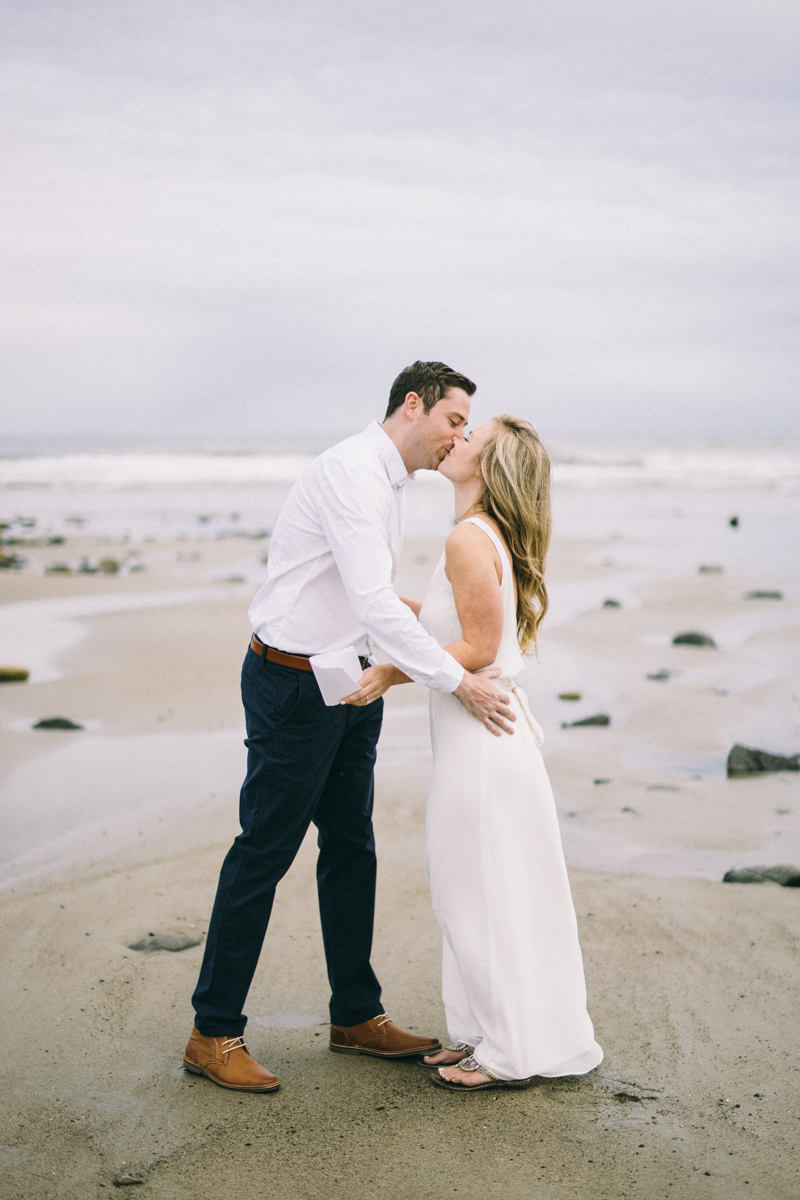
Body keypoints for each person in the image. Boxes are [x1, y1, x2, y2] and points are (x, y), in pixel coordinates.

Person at [183, 362, 517, 1092]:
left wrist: (429, 627)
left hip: (349, 682)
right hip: (293, 684)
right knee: (263, 852)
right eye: (453, 420)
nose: (458, 437)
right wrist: (456, 678)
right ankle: (212, 1032)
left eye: (466, 426)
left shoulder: (389, 481)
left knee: (352, 845)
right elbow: (370, 599)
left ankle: (356, 1017)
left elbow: (361, 593)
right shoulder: (351, 473)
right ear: (412, 406)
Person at [350, 415, 603, 1091]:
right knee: (480, 887)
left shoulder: (468, 537)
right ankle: (486, 1032)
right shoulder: (478, 535)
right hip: (486, 735)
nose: (456, 440)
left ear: (488, 469)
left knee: (476, 890)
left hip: (483, 742)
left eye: (473, 439)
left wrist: (389, 673)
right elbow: (447, 619)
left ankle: (506, 1053)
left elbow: (480, 648)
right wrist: (366, 601)